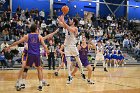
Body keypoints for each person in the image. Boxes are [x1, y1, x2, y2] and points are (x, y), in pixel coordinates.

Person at [6, 24, 47, 91]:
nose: (38, 30)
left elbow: (18, 42)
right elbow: (44, 45)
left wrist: (9, 46)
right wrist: (47, 50)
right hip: (36, 55)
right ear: (36, 29)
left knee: (25, 69)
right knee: (39, 69)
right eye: (38, 29)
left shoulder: (27, 36)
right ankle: (40, 85)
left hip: (30, 55)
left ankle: (22, 82)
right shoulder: (39, 36)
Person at [58, 15, 86, 84]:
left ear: (73, 22)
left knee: (78, 60)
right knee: (68, 62)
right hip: (67, 46)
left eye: (71, 20)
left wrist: (63, 21)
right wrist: (60, 19)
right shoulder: (67, 26)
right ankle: (70, 76)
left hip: (73, 46)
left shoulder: (75, 28)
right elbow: (61, 24)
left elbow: (69, 28)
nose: (70, 20)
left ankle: (82, 72)